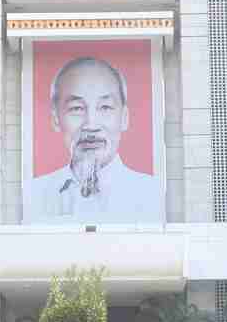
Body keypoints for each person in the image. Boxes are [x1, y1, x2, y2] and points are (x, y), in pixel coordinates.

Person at [24, 56, 165, 224]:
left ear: (124, 117)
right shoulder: (32, 194)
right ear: (56, 119)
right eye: (76, 108)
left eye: (105, 107)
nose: (91, 125)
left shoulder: (152, 194)